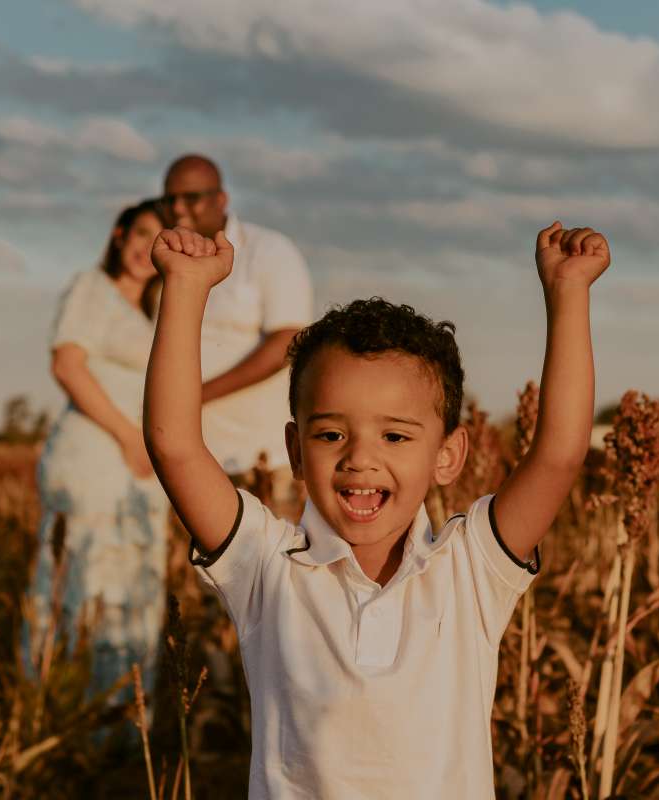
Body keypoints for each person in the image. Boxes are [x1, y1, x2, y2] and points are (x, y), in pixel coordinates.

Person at [143, 220, 610, 798]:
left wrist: (568, 292)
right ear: (294, 449)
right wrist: (186, 290)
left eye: (395, 437)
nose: (360, 459)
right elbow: (175, 445)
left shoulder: (470, 571)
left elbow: (559, 454)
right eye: (331, 434)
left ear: (447, 455)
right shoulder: (267, 568)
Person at [27, 199, 168, 702]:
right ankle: (65, 707)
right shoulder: (93, 288)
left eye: (159, 240)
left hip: (135, 463)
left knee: (129, 579)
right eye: (140, 232)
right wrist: (130, 437)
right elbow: (67, 365)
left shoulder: (148, 312)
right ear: (118, 233)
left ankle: (119, 721)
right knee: (83, 573)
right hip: (97, 451)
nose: (144, 248)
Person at [159, 155, 313, 515]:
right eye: (170, 199)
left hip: (262, 462)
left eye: (191, 197)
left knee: (274, 571)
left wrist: (193, 396)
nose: (178, 208)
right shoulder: (166, 261)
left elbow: (287, 342)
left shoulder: (269, 251)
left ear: (221, 199)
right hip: (190, 465)